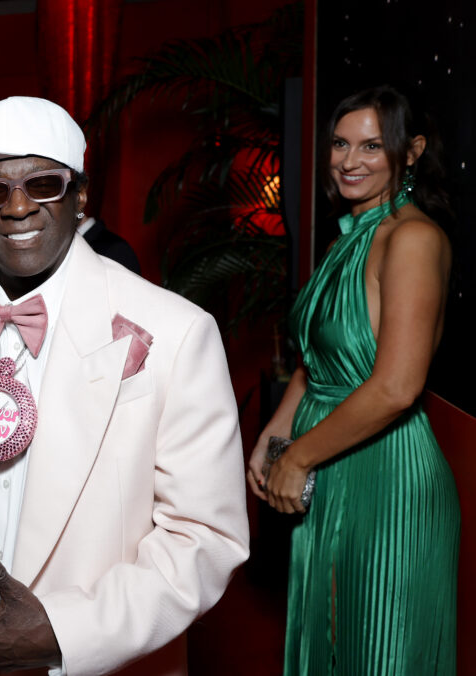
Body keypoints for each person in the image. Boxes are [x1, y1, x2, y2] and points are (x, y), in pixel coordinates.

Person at [0, 96, 249, 675]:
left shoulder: (176, 331)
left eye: (42, 184)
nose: (17, 207)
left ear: (81, 195)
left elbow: (204, 537)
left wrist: (65, 632)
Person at [247, 86, 459, 674]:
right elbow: (318, 354)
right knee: (333, 643)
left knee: (380, 650)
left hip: (386, 472)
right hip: (331, 456)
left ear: (410, 151)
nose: (349, 160)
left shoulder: (413, 238)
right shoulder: (348, 237)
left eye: (372, 145)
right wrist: (279, 428)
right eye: (341, 143)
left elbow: (396, 387)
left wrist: (299, 458)